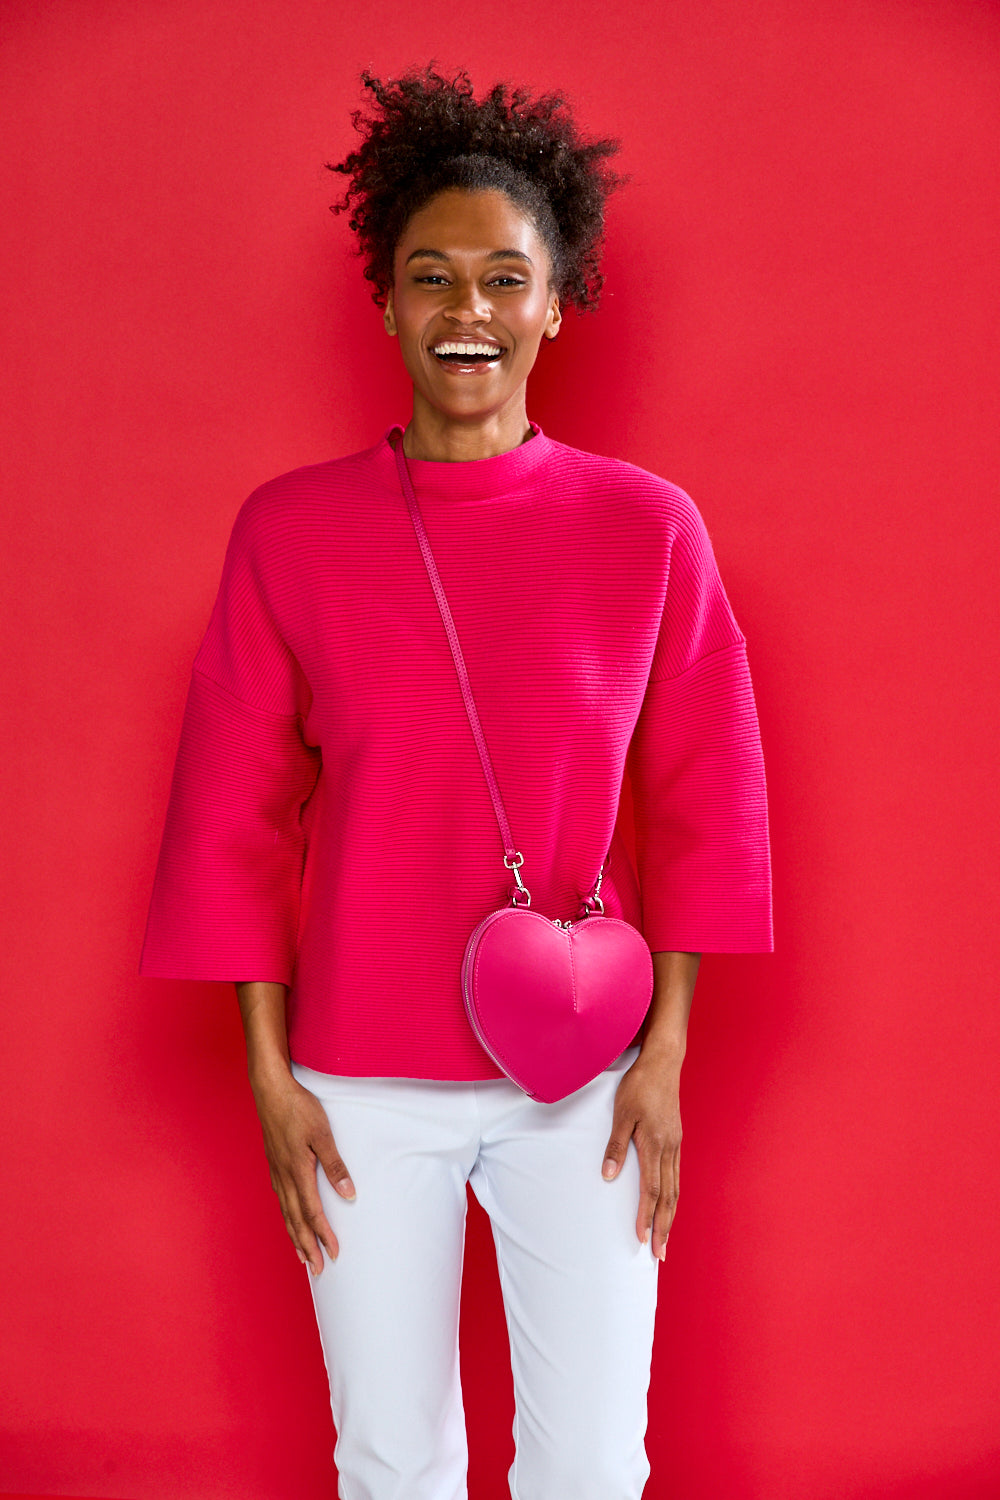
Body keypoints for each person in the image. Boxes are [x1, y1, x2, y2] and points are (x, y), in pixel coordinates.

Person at [140, 66, 772, 1500]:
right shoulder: (290, 533)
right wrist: (271, 1075)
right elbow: (235, 815)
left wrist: (666, 1054)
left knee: (592, 1463)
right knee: (389, 1457)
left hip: (589, 1075)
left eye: (503, 279)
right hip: (358, 1078)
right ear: (385, 301)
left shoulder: (649, 530)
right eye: (431, 277)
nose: (465, 310)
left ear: (556, 306)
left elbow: (705, 798)